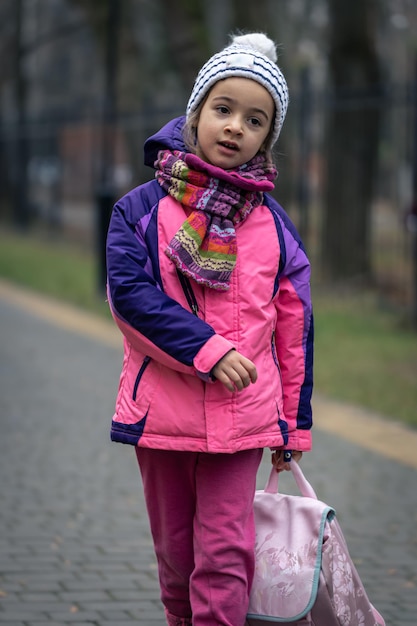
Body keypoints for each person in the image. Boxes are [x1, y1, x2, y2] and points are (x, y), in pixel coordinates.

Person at [106, 32, 314, 626]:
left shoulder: (275, 227)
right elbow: (131, 297)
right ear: (196, 113)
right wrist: (206, 349)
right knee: (177, 559)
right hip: (164, 417)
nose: (234, 127)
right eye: (222, 110)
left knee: (225, 556)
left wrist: (292, 425)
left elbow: (294, 330)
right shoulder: (140, 210)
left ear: (266, 138)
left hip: (244, 419)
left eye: (254, 120)